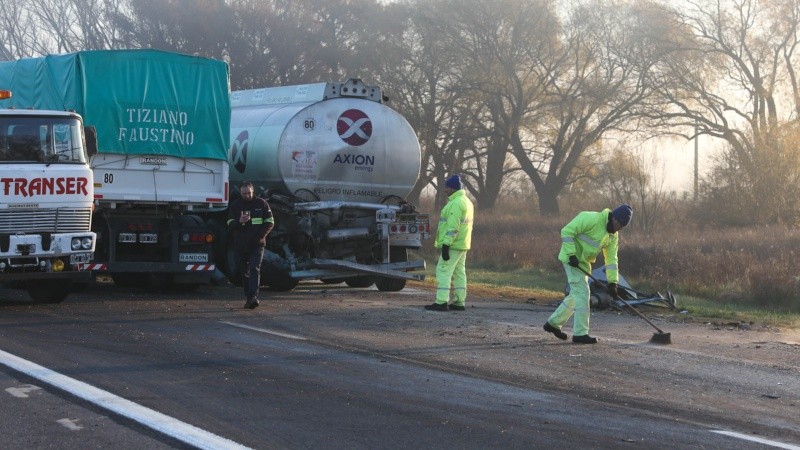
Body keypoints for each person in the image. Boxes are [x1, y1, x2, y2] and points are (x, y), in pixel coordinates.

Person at [543, 204, 633, 344]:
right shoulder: (590, 218)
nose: (619, 229)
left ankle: (553, 324)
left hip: (583, 263)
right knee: (583, 293)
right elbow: (567, 231)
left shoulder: (612, 236)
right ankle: (580, 334)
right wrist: (571, 254)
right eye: (619, 224)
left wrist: (613, 283)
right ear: (614, 218)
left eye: (622, 227)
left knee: (576, 295)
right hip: (571, 260)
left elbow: (611, 260)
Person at [425, 174, 474, 312]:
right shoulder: (467, 202)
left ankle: (441, 302)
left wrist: (446, 245)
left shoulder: (456, 203)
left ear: (452, 188)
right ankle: (459, 302)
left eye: (447, 187)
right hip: (462, 244)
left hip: (453, 245)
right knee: (459, 273)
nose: (445, 190)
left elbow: (453, 227)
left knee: (443, 270)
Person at [227, 181, 275, 309]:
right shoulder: (235, 205)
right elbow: (230, 224)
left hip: (257, 244)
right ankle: (249, 297)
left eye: (249, 193)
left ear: (253, 191)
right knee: (245, 271)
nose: (247, 196)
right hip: (241, 244)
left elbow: (270, 222)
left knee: (255, 268)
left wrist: (260, 236)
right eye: (244, 193)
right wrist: (239, 221)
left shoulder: (262, 204)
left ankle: (253, 297)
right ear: (240, 193)